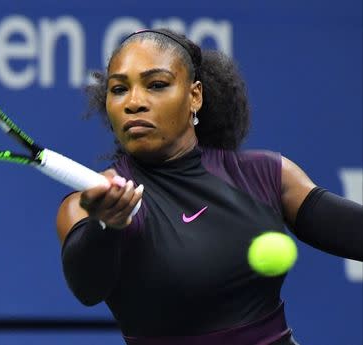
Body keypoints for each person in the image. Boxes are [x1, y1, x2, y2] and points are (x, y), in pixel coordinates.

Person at [56, 28, 363, 345]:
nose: (134, 102)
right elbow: (87, 289)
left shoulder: (267, 175)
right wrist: (108, 225)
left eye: (157, 85)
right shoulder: (86, 205)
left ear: (195, 96)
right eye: (119, 89)